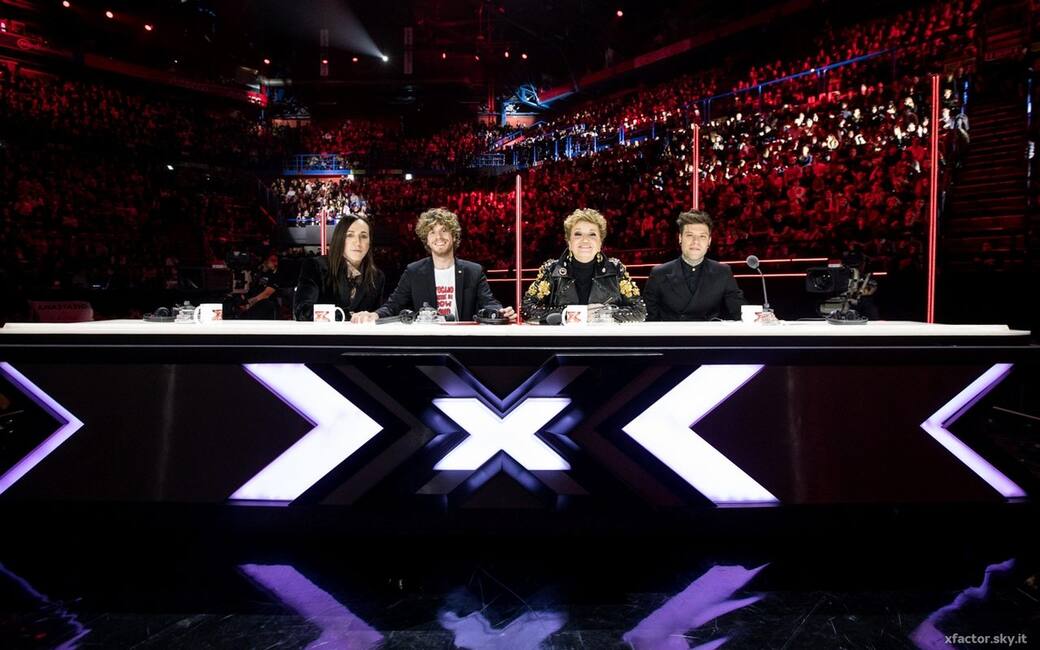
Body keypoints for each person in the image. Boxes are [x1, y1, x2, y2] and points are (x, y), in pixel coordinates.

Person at [354, 208, 514, 322]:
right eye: (432, 232)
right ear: (427, 240)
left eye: (444, 230)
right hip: (429, 343)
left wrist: (500, 312)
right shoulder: (414, 271)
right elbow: (393, 305)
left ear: (454, 236)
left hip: (463, 342)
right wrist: (374, 315)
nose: (439, 237)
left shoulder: (473, 271)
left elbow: (489, 303)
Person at [521, 208, 646, 323]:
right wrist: (575, 314)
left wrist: (603, 314)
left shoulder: (615, 269)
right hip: (564, 338)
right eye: (578, 234)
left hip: (603, 337)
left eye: (592, 234)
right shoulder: (552, 269)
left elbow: (639, 311)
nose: (585, 240)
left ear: (600, 242)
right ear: (569, 242)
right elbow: (526, 309)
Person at [644, 210, 746, 321]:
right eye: (690, 235)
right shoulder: (659, 273)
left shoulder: (723, 272)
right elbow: (648, 320)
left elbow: (741, 312)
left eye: (702, 236)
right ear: (680, 238)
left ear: (709, 241)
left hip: (708, 332)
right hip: (672, 332)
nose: (695, 242)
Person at [293, 214, 385, 321]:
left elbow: (377, 317)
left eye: (363, 236)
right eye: (350, 235)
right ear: (339, 238)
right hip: (323, 332)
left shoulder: (377, 277)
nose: (358, 242)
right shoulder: (315, 266)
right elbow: (302, 310)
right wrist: (342, 315)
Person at [237, 252, 281, 319]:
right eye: (272, 260)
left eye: (276, 261)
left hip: (266, 306)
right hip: (253, 306)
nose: (275, 263)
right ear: (265, 261)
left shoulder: (276, 276)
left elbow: (266, 294)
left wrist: (248, 303)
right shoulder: (258, 273)